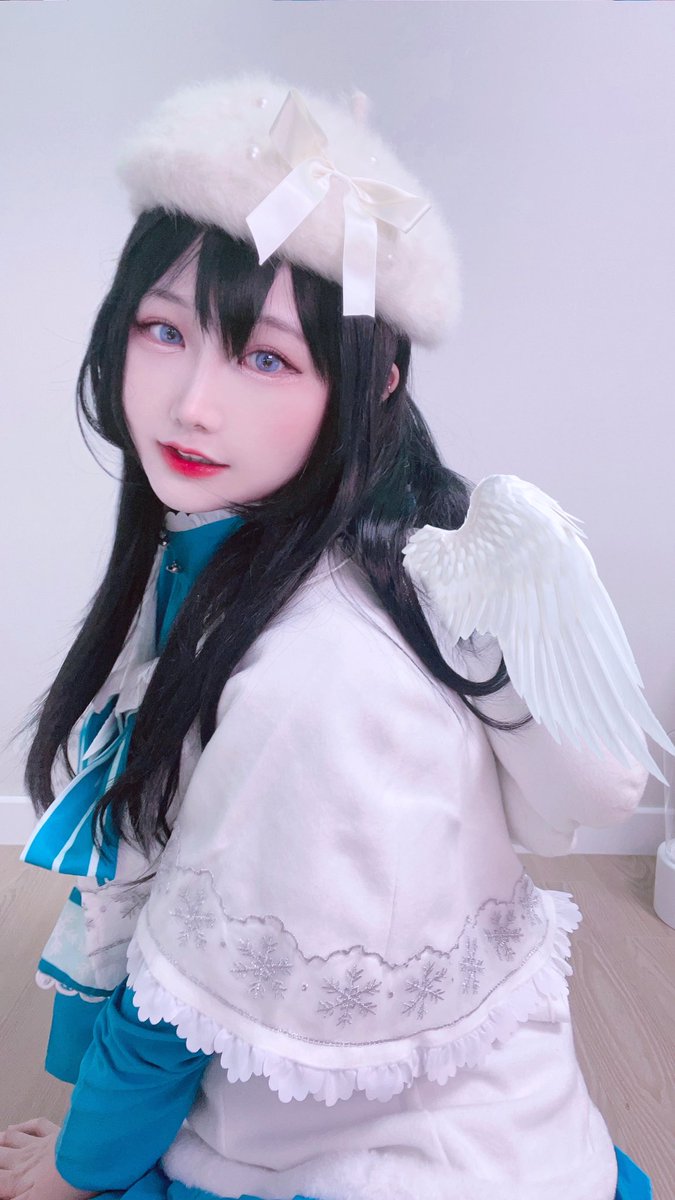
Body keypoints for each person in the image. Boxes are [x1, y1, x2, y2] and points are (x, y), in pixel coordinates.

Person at [1, 74, 661, 1200]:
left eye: (264, 357)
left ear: (372, 386)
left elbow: (183, 997)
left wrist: (77, 1172)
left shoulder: (318, 670)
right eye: (163, 330)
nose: (191, 403)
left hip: (399, 1161)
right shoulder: (264, 545)